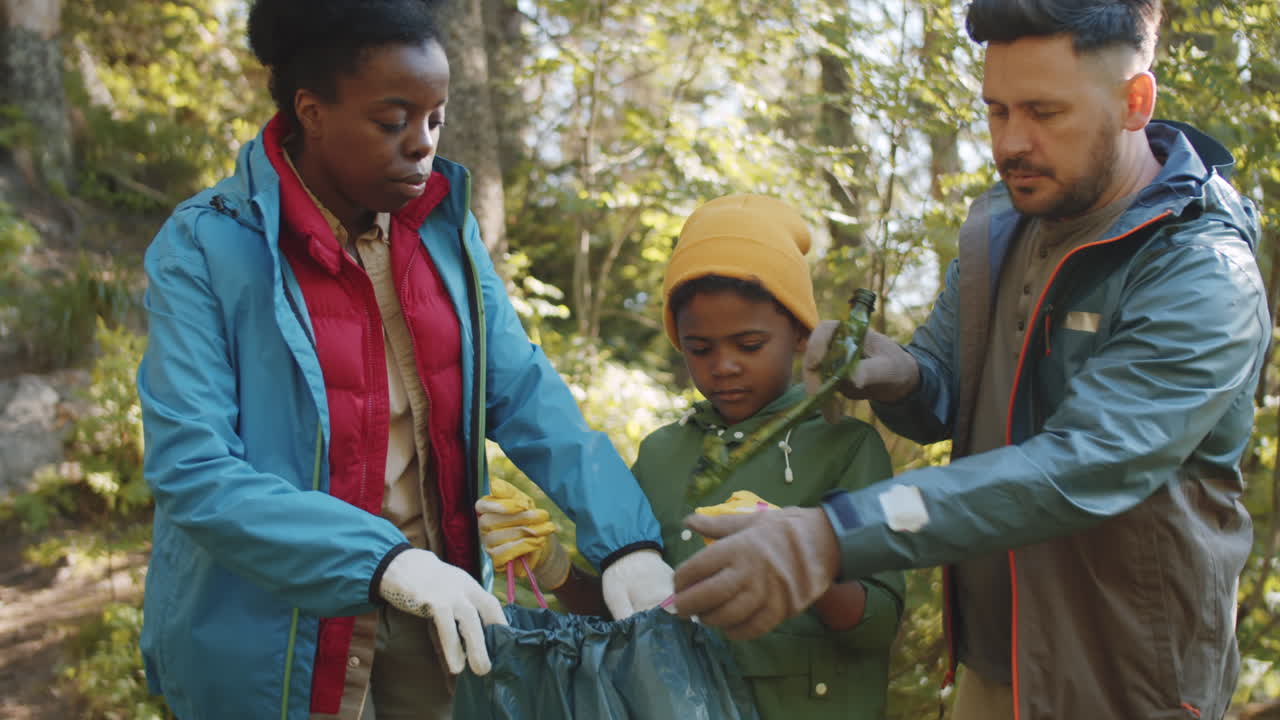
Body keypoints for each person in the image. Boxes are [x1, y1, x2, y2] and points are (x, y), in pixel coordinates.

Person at [671, 2, 1268, 719]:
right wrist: (900, 374)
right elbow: (945, 393)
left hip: (1125, 680)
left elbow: (1079, 467)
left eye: (1044, 112)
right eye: (996, 110)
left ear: (1135, 101)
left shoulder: (1201, 274)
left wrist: (832, 535)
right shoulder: (1000, 225)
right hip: (991, 664)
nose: (1011, 142)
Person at [135, 1, 674, 718]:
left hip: (438, 615)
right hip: (267, 637)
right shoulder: (204, 247)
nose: (421, 144)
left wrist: (626, 538)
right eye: (393, 122)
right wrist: (384, 562)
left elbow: (524, 393)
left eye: (435, 119)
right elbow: (193, 469)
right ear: (312, 110)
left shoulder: (444, 232)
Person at [476, 194, 904, 719]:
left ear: (799, 332)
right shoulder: (662, 453)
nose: (723, 366)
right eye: (700, 348)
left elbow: (877, 622)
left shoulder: (846, 449)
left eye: (748, 345)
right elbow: (621, 621)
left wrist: (801, 557)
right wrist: (558, 569)